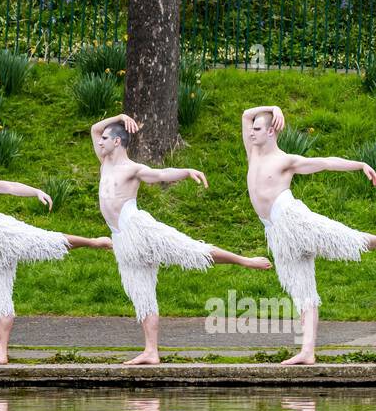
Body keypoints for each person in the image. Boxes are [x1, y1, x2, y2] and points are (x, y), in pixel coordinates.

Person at [92, 114, 271, 365]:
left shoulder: (131, 169)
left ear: (118, 142)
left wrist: (186, 171)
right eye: (101, 139)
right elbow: (94, 127)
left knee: (192, 251)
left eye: (105, 138)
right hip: (121, 239)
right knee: (142, 297)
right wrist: (121, 116)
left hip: (138, 228)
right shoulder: (104, 162)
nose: (100, 141)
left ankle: (243, 260)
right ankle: (151, 351)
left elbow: (160, 174)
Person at [243, 104, 376, 365]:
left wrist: (359, 164)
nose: (251, 133)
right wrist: (273, 107)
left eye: (257, 129)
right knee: (303, 293)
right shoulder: (252, 153)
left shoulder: (285, 160)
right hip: (276, 234)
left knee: (345, 239)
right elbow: (245, 114)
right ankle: (307, 351)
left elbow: (325, 163)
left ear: (271, 131)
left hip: (295, 221)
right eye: (251, 130)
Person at [0, 129, 112, 364]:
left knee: (45, 241)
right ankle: (1, 352)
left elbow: (8, 186)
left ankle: (93, 241)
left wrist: (35, 191)